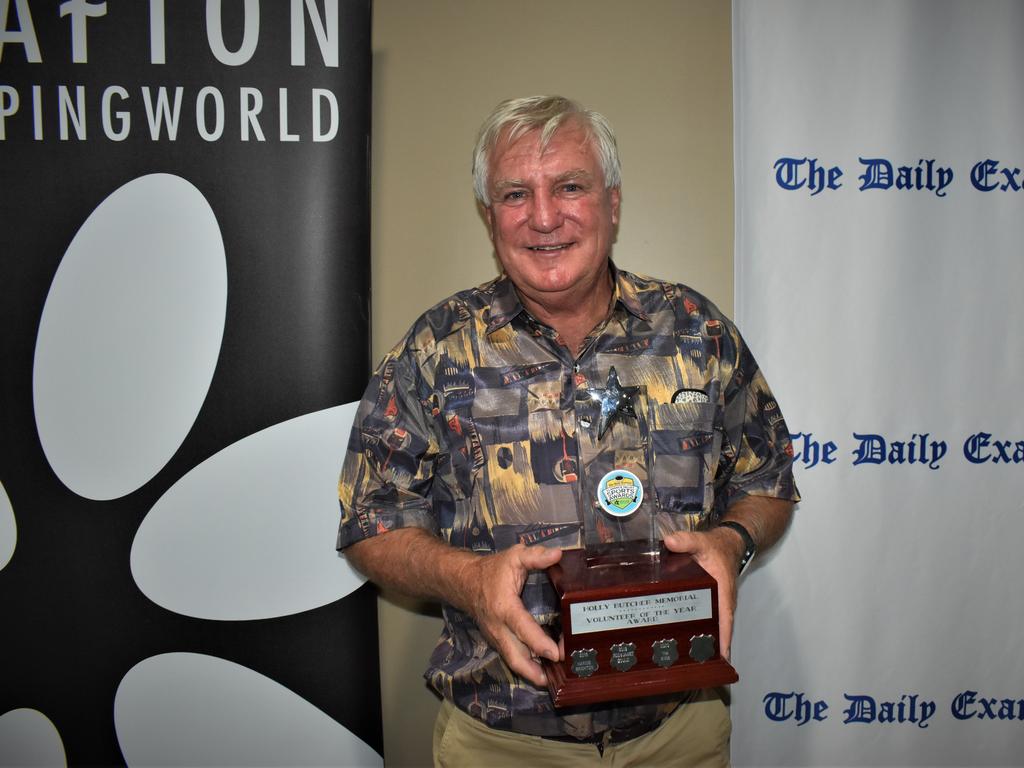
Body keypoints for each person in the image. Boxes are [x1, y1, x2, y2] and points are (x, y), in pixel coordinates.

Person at [337, 95, 798, 767]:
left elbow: (770, 482)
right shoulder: (435, 350)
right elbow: (368, 523)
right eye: (516, 194)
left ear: (612, 203)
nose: (545, 217)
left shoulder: (697, 331)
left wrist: (731, 543)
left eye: (570, 187)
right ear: (488, 216)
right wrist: (468, 579)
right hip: (503, 742)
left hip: (679, 735)